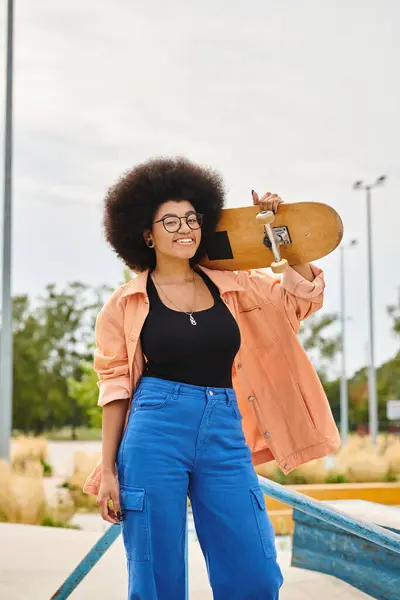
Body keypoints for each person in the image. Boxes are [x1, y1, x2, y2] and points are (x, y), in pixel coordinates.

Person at [83, 156, 341, 600]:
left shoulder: (239, 285)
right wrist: (108, 471)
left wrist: (282, 232)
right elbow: (116, 390)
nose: (185, 228)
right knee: (155, 575)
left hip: (225, 426)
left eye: (192, 218)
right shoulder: (124, 304)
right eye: (170, 221)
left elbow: (300, 300)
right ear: (146, 233)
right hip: (154, 429)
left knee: (255, 574)